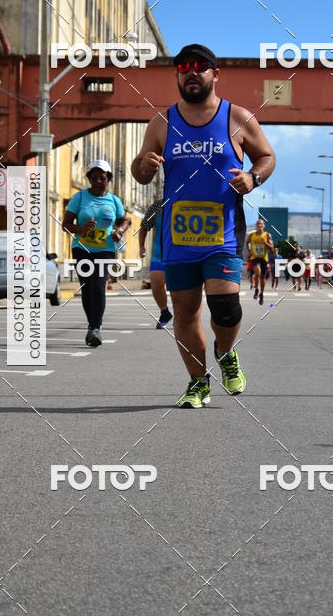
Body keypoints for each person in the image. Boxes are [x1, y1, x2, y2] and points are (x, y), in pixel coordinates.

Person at [131, 42, 275, 408]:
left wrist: (253, 179)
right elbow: (140, 172)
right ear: (178, 75)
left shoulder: (237, 118)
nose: (191, 71)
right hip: (178, 236)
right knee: (185, 311)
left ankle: (225, 353)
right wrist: (144, 165)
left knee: (225, 306)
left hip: (223, 233)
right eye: (183, 67)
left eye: (200, 66)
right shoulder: (162, 122)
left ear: (215, 74)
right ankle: (198, 382)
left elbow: (267, 156)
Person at [62, 159, 131, 346]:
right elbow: (66, 225)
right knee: (87, 288)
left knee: (99, 287)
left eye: (103, 178)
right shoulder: (80, 198)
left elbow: (125, 220)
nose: (99, 181)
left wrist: (119, 231)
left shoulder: (114, 200)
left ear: (108, 179)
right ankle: (92, 325)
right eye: (94, 178)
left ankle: (95, 328)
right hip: (81, 249)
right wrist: (82, 229)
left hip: (105, 250)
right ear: (89, 179)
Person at [139, 198, 172, 329]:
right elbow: (144, 225)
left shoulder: (190, 201)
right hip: (159, 254)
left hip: (182, 254)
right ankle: (164, 312)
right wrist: (141, 246)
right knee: (156, 283)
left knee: (180, 290)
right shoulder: (158, 205)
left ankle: (182, 316)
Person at [247, 218, 273, 305]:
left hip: (264, 259)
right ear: (256, 226)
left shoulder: (267, 235)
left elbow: (272, 249)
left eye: (261, 224)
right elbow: (247, 243)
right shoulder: (252, 235)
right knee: (257, 273)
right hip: (255, 257)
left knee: (262, 277)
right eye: (258, 224)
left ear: (264, 226)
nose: (259, 225)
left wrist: (265, 243)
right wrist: (249, 250)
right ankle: (256, 289)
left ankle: (261, 294)